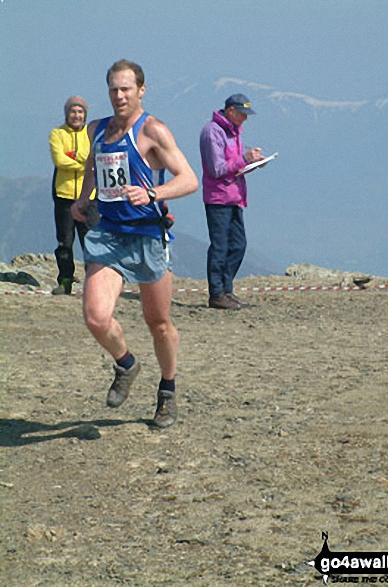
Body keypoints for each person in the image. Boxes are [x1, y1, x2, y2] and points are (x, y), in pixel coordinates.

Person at [71, 59, 198, 428]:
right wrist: (84, 198)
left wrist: (153, 193)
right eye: (113, 89)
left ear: (141, 90)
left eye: (126, 88)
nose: (119, 95)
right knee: (96, 317)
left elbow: (189, 179)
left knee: (157, 322)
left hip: (147, 236)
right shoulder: (97, 129)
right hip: (109, 235)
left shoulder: (153, 130)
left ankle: (168, 391)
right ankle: (126, 364)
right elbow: (93, 166)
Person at [200, 93, 264, 310]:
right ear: (231, 112)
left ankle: (227, 289)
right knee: (220, 247)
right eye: (242, 114)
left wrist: (253, 163)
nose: (245, 119)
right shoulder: (212, 132)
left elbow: (233, 166)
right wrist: (245, 159)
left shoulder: (234, 132)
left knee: (238, 245)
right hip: (218, 198)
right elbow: (217, 169)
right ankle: (216, 293)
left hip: (235, 196)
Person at [49, 96, 99, 295]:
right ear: (66, 113)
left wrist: (75, 157)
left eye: (80, 112)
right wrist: (84, 163)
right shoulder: (57, 134)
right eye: (73, 111)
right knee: (65, 241)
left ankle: (93, 284)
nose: (76, 115)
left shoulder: (91, 135)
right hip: (64, 196)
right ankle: (65, 280)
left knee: (92, 241)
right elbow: (59, 160)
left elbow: (95, 159)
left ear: (85, 115)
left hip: (90, 197)